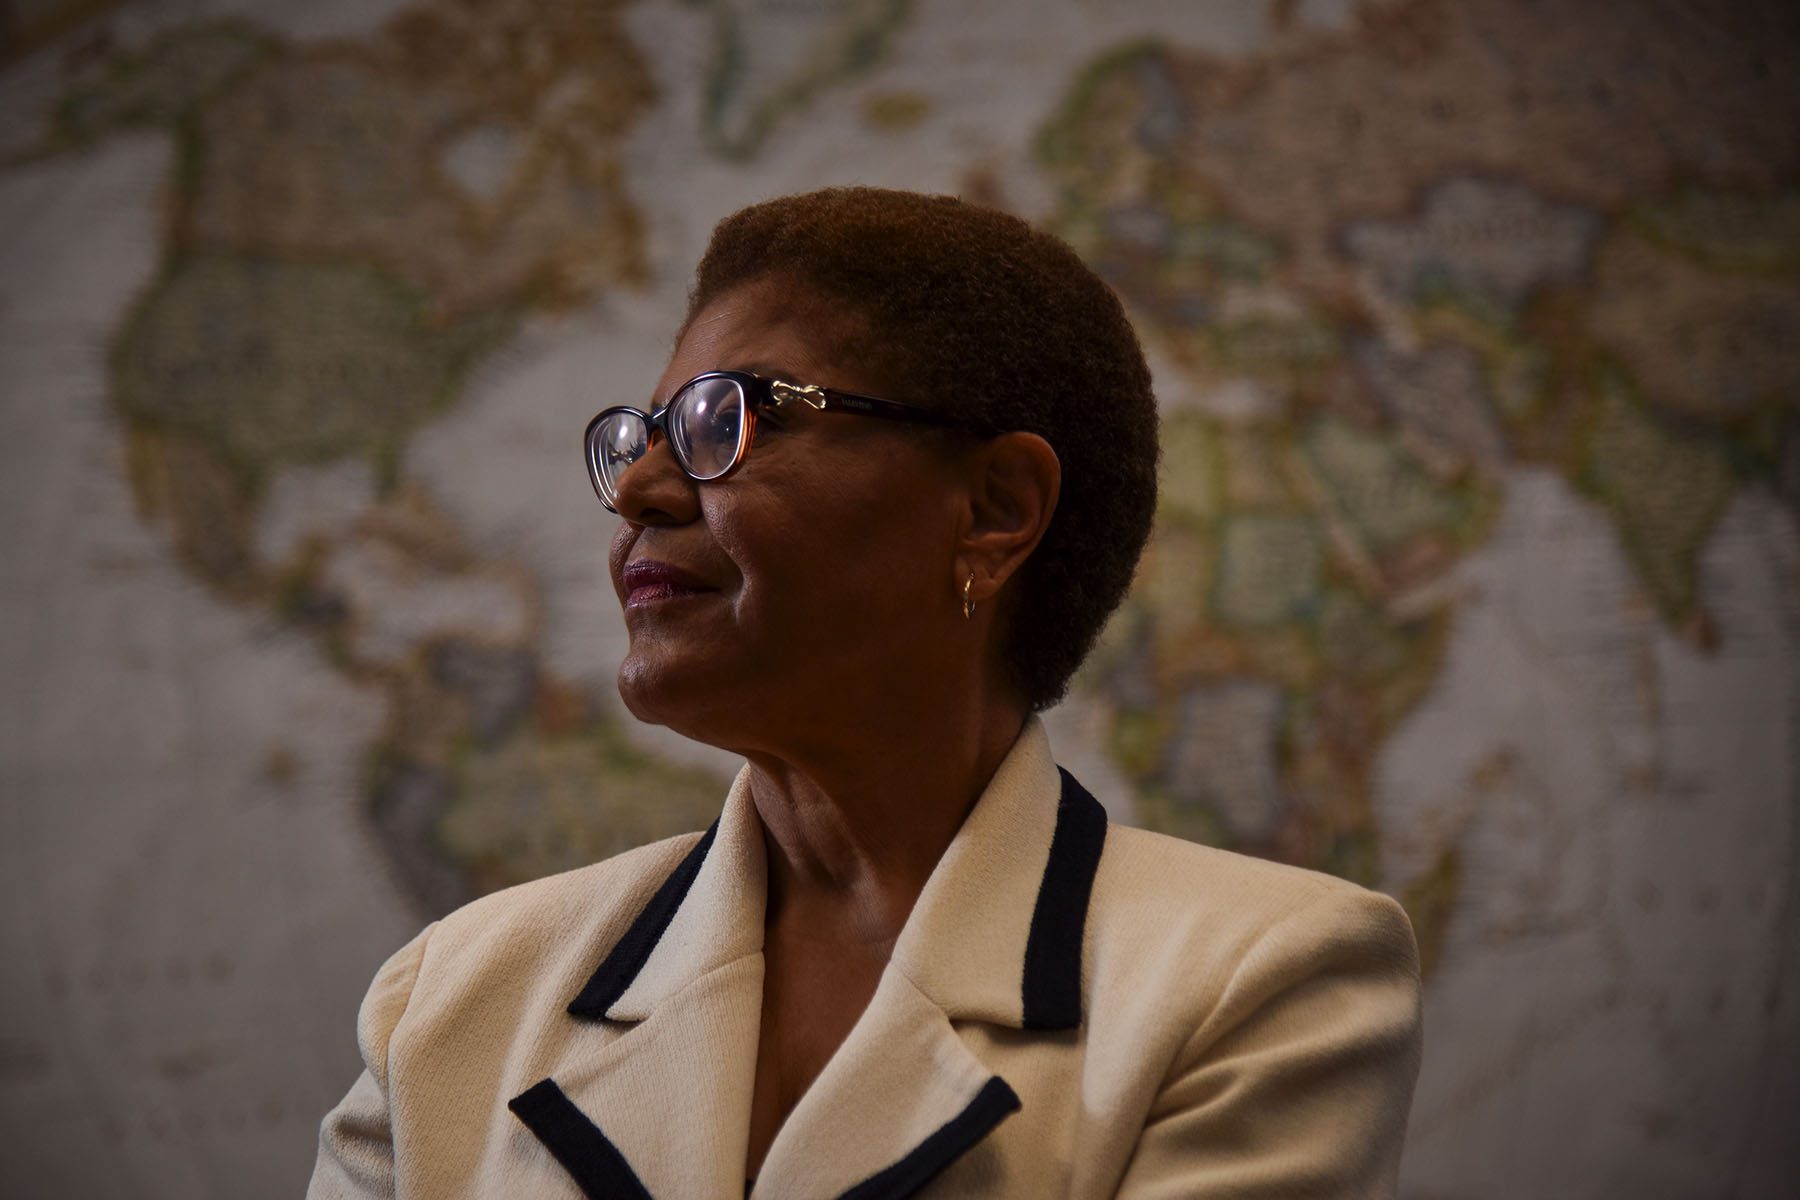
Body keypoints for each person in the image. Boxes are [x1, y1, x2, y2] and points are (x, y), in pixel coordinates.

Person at [307, 187, 1422, 1199]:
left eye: (723, 421)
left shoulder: (1262, 985)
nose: (640, 489)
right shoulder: (450, 1005)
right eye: (645, 438)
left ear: (994, 509)